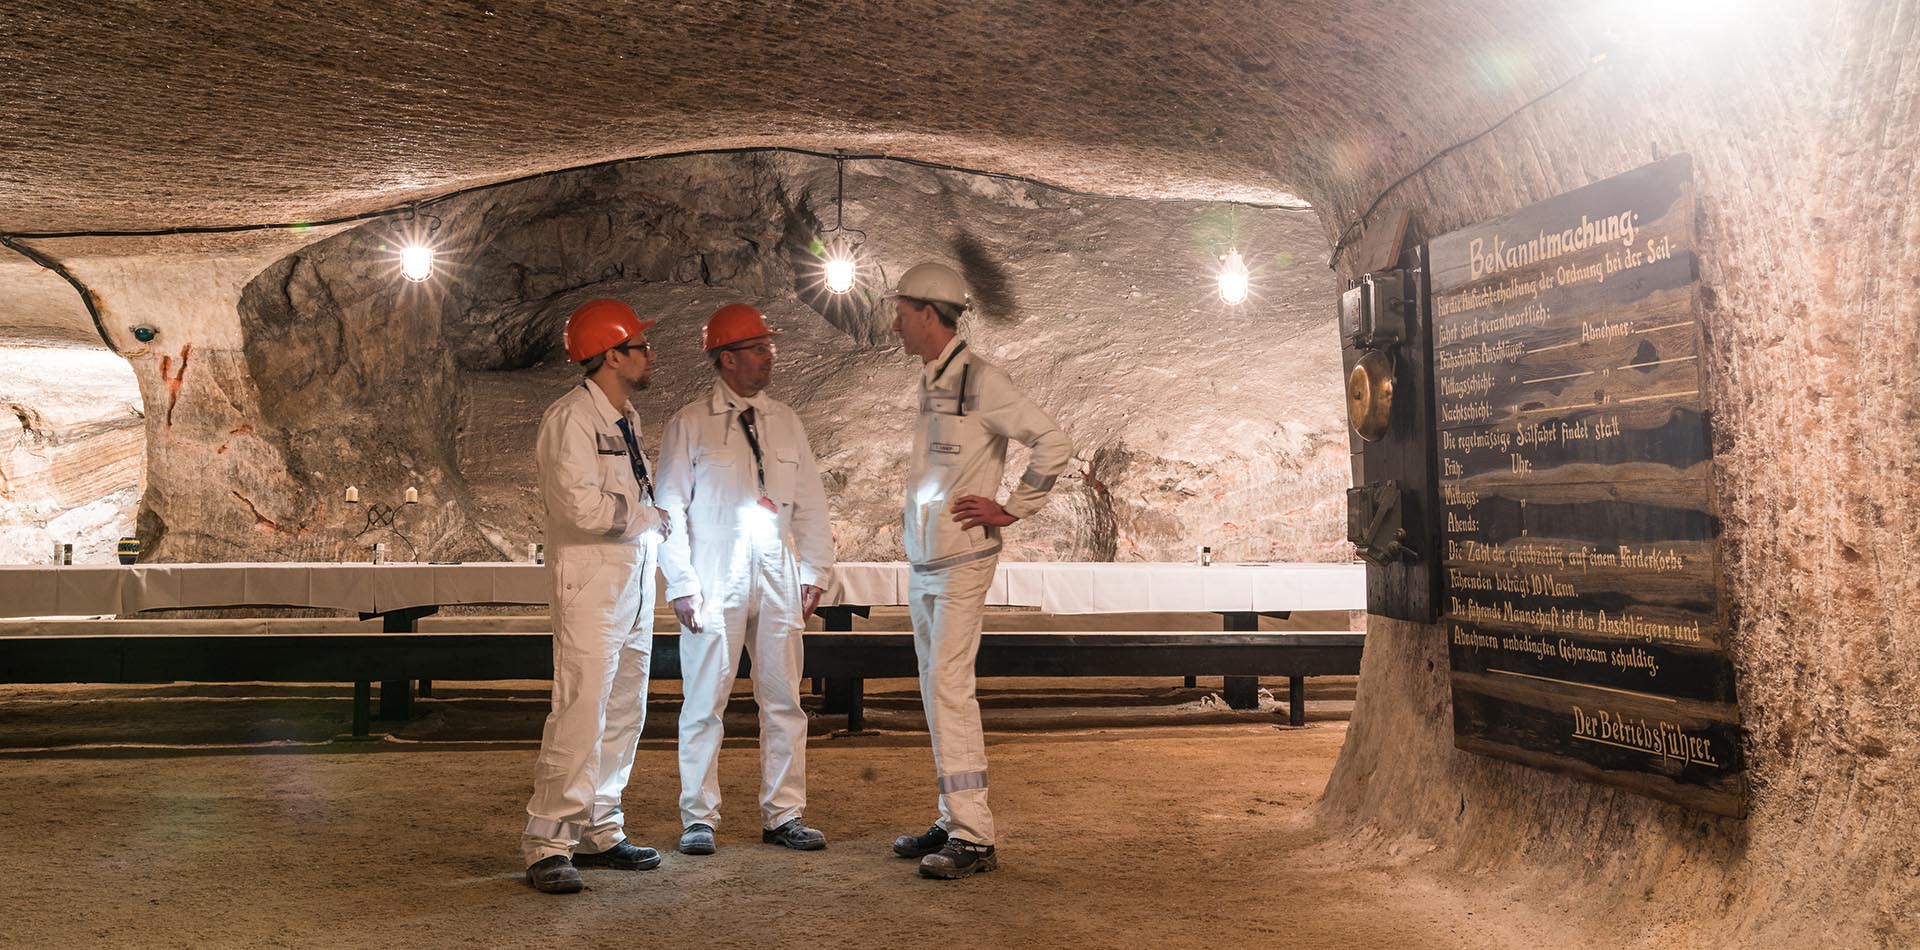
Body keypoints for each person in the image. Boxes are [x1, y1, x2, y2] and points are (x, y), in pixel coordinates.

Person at [886, 262, 1074, 879]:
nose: (895, 323)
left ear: (929, 313)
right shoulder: (932, 379)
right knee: (936, 692)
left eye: (903, 312)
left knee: (949, 689)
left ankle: (974, 836)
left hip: (963, 561)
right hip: (927, 563)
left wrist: (1013, 508)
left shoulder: (982, 380)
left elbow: (1053, 442)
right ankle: (951, 816)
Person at [655, 303, 835, 856]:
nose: (769, 356)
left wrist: (813, 570)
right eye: (758, 348)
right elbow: (668, 508)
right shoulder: (690, 423)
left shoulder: (785, 420)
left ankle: (784, 813)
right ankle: (699, 818)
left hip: (776, 571)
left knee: (783, 699)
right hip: (716, 574)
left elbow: (809, 503)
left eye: (768, 347)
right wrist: (683, 584)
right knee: (705, 700)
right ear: (727, 358)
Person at [521, 297, 671, 895]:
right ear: (612, 355)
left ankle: (601, 826)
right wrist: (647, 515)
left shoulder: (625, 419)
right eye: (640, 346)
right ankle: (548, 843)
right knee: (581, 709)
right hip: (591, 584)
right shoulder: (571, 419)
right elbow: (579, 506)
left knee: (624, 710)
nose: (649, 355)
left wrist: (649, 524)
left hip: (631, 583)